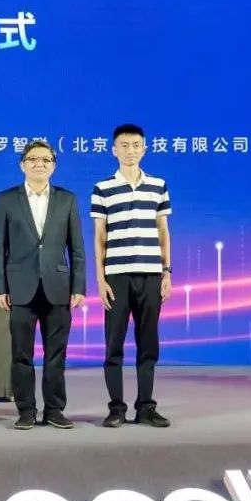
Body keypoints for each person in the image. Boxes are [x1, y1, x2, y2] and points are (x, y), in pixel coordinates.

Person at [0, 139, 86, 430]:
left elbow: (76, 247)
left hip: (58, 287)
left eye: (46, 160)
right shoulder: (6, 199)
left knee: (56, 354)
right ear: (22, 165)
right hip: (20, 288)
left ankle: (54, 410)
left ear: (54, 166)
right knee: (21, 355)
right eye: (33, 159)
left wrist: (78, 286)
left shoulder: (67, 199)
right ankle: (26, 411)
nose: (39, 164)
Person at [91, 123, 173, 428]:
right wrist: (100, 279)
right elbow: (100, 236)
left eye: (136, 145)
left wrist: (167, 272)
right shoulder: (103, 188)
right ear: (114, 150)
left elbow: (163, 232)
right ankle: (116, 408)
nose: (130, 150)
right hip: (116, 277)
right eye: (124, 145)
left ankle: (146, 407)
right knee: (114, 345)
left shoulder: (158, 185)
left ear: (144, 149)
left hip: (151, 275)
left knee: (148, 343)